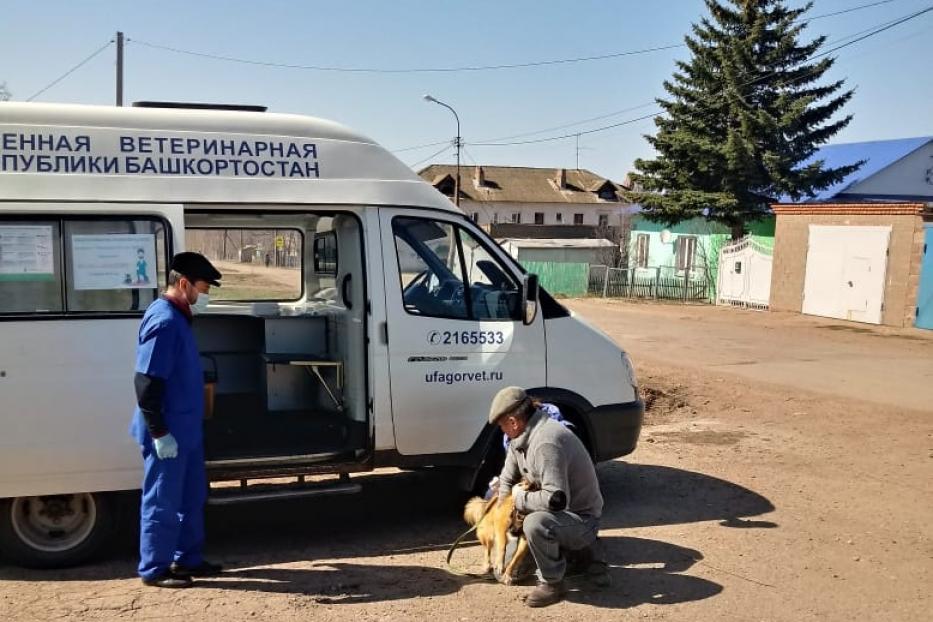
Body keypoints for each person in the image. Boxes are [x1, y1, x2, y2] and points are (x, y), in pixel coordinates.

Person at [130, 252, 223, 588]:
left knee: (191, 496)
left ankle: (188, 559)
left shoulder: (179, 315)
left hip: (186, 429)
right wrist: (159, 432)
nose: (206, 296)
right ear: (184, 284)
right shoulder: (166, 320)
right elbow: (147, 382)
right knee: (162, 501)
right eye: (203, 288)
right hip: (167, 431)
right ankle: (154, 569)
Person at [490, 386, 610, 608]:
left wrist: (518, 498)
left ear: (514, 422)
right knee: (508, 572)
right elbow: (506, 478)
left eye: (502, 426)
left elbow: (555, 501)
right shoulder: (521, 437)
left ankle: (553, 583)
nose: (502, 431)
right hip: (559, 516)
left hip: (580, 519)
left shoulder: (546, 443)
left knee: (535, 523)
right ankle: (569, 553)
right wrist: (503, 510)